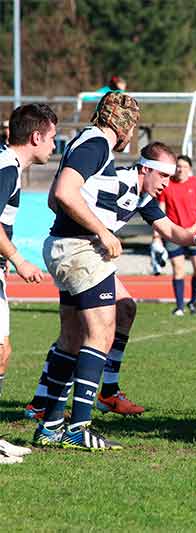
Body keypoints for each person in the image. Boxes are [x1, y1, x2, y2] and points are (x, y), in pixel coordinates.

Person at [33, 92, 196, 451]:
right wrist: (100, 231)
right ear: (126, 125)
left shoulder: (99, 153)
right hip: (82, 249)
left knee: (75, 336)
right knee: (99, 334)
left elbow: (57, 197)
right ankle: (78, 426)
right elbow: (64, 193)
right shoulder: (98, 143)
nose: (167, 181)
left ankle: (50, 423)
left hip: (67, 246)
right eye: (162, 174)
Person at [0, 104, 57, 401]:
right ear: (36, 138)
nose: (54, 145)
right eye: (51, 138)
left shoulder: (8, 165)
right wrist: (18, 259)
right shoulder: (7, 167)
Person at [153, 154, 196, 316]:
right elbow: (160, 210)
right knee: (178, 269)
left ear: (190, 169)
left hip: (195, 233)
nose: (181, 169)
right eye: (178, 166)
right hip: (173, 234)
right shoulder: (167, 185)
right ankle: (180, 306)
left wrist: (193, 228)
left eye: (184, 166)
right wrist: (157, 235)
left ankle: (194, 301)